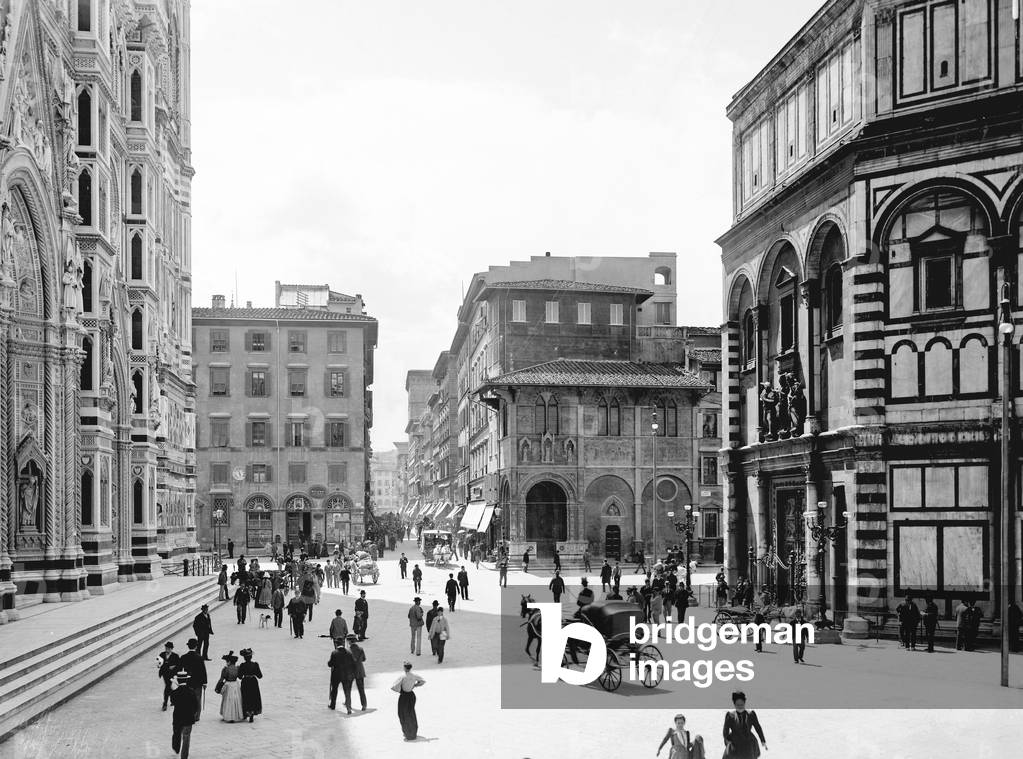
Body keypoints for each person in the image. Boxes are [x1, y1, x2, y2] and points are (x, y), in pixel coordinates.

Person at [722, 691, 766, 758]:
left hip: (748, 742)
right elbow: (725, 731)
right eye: (737, 705)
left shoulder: (751, 714)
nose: (740, 707)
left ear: (745, 703)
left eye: (742, 704)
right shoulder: (730, 716)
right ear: (734, 704)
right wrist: (727, 742)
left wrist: (762, 740)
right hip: (735, 743)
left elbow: (757, 727)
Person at [393, 662, 426, 741]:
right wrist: (414, 685)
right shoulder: (414, 675)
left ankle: (407, 732)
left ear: (404, 668)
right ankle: (413, 732)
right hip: (411, 695)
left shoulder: (402, 676)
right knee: (411, 713)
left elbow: (394, 687)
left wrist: (400, 690)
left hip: (404, 696)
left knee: (402, 713)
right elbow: (422, 681)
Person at [169, 670, 198, 759]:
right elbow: (196, 706)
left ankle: (176, 747)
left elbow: (172, 702)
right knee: (186, 737)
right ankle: (184, 756)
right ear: (186, 680)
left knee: (176, 733)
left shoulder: (175, 692)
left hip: (177, 717)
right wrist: (192, 713)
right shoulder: (191, 691)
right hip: (188, 718)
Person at [177, 639, 207, 721]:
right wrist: (205, 682)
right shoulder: (200, 658)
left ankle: (188, 714)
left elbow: (179, 669)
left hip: (187, 681)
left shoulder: (183, 657)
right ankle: (196, 716)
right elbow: (203, 671)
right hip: (198, 682)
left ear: (188, 646)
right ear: (196, 646)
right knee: (197, 699)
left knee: (188, 698)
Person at [327, 638, 357, 714]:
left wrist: (329, 663)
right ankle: (348, 708)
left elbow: (330, 664)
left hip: (336, 675)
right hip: (346, 674)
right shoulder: (349, 652)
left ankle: (333, 705)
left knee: (334, 690)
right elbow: (353, 663)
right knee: (346, 690)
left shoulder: (334, 653)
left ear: (336, 644)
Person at [216, 651, 244, 723]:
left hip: (228, 685)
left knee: (228, 700)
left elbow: (222, 679)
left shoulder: (226, 669)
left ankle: (228, 715)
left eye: (227, 661)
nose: (226, 663)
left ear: (229, 662)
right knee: (236, 700)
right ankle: (236, 715)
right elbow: (240, 677)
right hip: (235, 685)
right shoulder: (237, 668)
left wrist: (217, 687)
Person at [238, 648, 262, 723]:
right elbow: (260, 676)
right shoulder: (255, 665)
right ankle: (252, 713)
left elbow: (240, 676)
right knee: (253, 697)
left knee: (246, 697)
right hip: (253, 682)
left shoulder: (242, 665)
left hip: (245, 682)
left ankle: (246, 712)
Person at [347, 633, 368, 711]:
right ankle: (364, 705)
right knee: (361, 689)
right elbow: (364, 659)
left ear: (349, 641)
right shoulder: (360, 649)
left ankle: (348, 706)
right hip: (360, 671)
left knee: (348, 689)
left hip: (350, 672)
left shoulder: (348, 650)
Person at [157, 641, 179, 711]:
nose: (167, 650)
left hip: (172, 674)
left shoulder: (175, 656)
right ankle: (165, 703)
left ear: (171, 649)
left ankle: (170, 700)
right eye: (166, 648)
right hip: (165, 673)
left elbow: (179, 665)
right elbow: (158, 665)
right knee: (168, 686)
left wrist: (174, 667)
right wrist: (167, 666)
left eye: (169, 648)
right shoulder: (161, 655)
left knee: (170, 686)